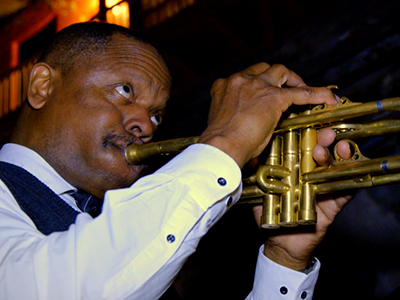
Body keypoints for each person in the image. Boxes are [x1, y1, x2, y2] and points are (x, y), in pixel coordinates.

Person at [0, 21, 351, 299]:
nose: (144, 125)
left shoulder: (135, 241)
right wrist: (228, 141)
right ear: (42, 86)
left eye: (156, 116)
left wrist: (284, 262)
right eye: (125, 90)